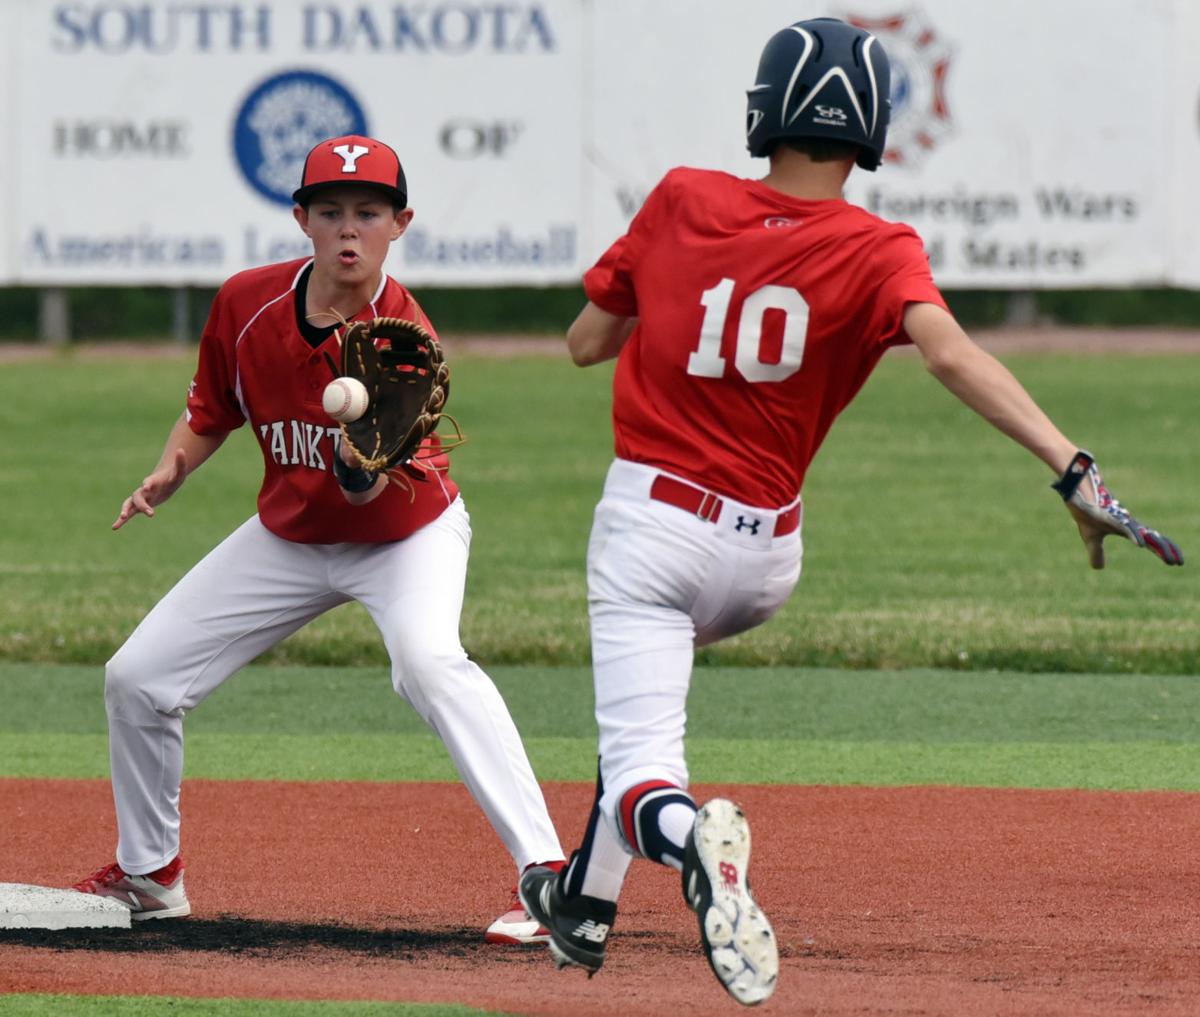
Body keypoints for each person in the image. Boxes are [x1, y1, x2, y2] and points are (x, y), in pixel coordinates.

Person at [518, 17, 1183, 1007]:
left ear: (764, 110)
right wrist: (1071, 469)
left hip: (654, 530)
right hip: (765, 560)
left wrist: (679, 285)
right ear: (871, 130)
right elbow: (954, 356)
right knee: (636, 725)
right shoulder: (880, 248)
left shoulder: (683, 198)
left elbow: (584, 343)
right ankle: (582, 903)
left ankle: (690, 841)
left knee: (646, 773)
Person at [72, 134, 565, 944]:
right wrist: (172, 469)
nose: (348, 229)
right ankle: (150, 872)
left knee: (429, 664)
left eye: (367, 212)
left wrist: (355, 456)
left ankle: (546, 875)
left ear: (400, 222)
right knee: (139, 678)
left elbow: (366, 489)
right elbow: (211, 408)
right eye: (330, 210)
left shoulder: (403, 339)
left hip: (404, 537)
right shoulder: (246, 303)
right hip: (292, 535)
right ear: (300, 218)